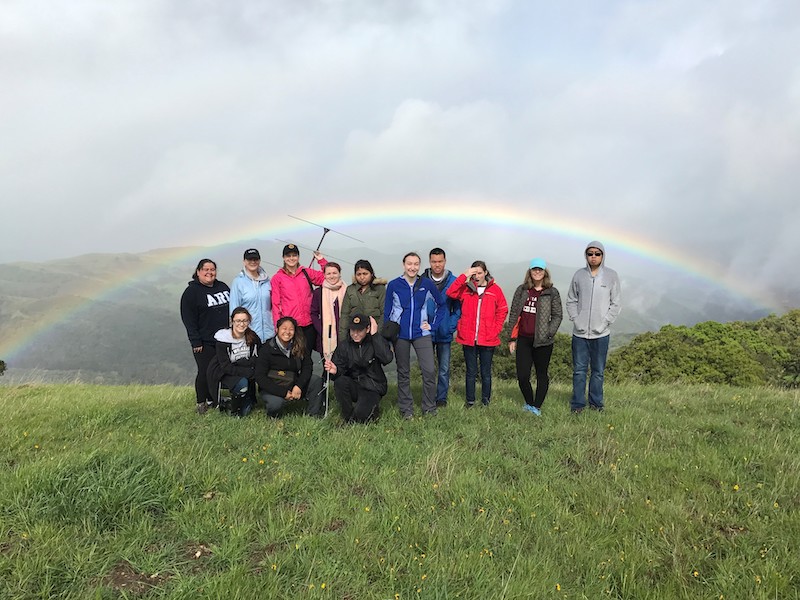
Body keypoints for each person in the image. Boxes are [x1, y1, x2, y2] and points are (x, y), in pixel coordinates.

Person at [384, 252, 447, 418]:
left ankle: (429, 408)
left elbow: (441, 305)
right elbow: (387, 311)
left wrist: (432, 325)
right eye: (409, 264)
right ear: (403, 265)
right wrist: (388, 337)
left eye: (416, 264)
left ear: (419, 266)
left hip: (422, 333)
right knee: (403, 372)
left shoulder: (426, 283)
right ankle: (406, 410)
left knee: (429, 370)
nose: (412, 267)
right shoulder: (393, 285)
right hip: (400, 334)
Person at [566, 241, 621, 413]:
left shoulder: (611, 276)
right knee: (579, 371)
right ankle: (578, 405)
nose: (594, 257)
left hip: (601, 334)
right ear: (586, 255)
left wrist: (604, 322)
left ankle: (596, 404)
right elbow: (571, 300)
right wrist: (576, 320)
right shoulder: (579, 275)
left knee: (598, 371)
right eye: (590, 253)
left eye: (597, 253)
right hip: (580, 334)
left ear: (603, 255)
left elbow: (616, 303)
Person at [446, 261, 508, 407]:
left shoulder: (495, 290)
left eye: (480, 273)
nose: (477, 276)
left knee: (486, 373)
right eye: (474, 273)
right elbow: (451, 292)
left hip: (488, 337)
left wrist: (496, 329)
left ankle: (486, 401)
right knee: (471, 372)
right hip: (468, 337)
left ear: (486, 273)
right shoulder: (466, 289)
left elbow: (502, 310)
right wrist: (465, 275)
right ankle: (470, 401)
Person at [507, 258, 563, 416]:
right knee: (522, 375)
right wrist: (512, 338)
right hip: (524, 338)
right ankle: (529, 403)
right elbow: (514, 314)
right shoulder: (522, 290)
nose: (537, 272)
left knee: (541, 374)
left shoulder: (551, 292)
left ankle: (536, 407)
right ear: (529, 272)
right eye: (534, 269)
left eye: (540, 269)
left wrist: (548, 332)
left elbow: (558, 315)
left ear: (545, 272)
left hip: (543, 341)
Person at [180, 258, 230, 414]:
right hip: (204, 341)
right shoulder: (191, 293)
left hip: (224, 340)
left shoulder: (222, 287)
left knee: (218, 371)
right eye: (206, 269)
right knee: (204, 371)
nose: (210, 272)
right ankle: (201, 402)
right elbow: (188, 319)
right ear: (198, 272)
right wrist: (195, 341)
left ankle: (213, 399)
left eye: (212, 269)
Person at [324, 314, 394, 423]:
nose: (355, 334)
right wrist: (336, 370)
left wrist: (375, 335)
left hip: (372, 386)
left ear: (367, 329)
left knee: (363, 416)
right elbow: (339, 369)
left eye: (359, 330)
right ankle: (347, 417)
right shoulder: (344, 345)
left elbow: (387, 358)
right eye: (353, 330)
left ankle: (367, 410)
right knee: (340, 382)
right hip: (354, 384)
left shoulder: (375, 342)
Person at [255, 316, 324, 418]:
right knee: (275, 405)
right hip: (273, 386)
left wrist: (299, 386)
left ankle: (314, 415)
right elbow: (260, 377)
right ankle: (273, 416)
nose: (287, 332)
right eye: (284, 328)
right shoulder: (266, 349)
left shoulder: (300, 345)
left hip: (293, 382)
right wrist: (283, 393)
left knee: (316, 380)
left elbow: (307, 367)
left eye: (291, 329)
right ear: (277, 330)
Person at [271, 244, 328, 357]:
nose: (291, 258)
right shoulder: (277, 278)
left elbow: (328, 277)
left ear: (298, 257)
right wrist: (278, 327)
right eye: (288, 256)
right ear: (283, 258)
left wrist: (321, 260)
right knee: (293, 357)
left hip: (309, 324)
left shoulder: (306, 272)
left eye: (294, 255)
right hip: (291, 326)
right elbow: (275, 304)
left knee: (307, 357)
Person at [422, 248, 461, 407]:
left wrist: (450, 326)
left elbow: (458, 308)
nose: (437, 265)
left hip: (444, 332)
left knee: (443, 368)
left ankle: (441, 398)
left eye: (440, 261)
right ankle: (428, 396)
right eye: (434, 261)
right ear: (430, 262)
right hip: (425, 332)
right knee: (427, 368)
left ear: (445, 261)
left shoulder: (454, 281)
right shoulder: (422, 281)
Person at [207, 307, 260, 417]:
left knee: (248, 409)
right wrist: (247, 370)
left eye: (245, 321)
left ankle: (233, 402)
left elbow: (258, 356)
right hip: (224, 372)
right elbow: (226, 366)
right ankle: (234, 412)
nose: (242, 324)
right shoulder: (223, 340)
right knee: (242, 383)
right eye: (238, 321)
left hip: (242, 370)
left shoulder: (253, 337)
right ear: (232, 321)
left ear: (249, 321)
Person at [228, 248, 273, 344]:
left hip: (269, 333)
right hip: (249, 334)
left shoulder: (267, 281)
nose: (253, 262)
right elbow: (234, 310)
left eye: (255, 259)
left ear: (259, 261)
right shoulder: (238, 282)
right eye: (249, 259)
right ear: (244, 261)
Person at [338, 259, 387, 342]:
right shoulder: (350, 289)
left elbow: (384, 312)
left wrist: (378, 335)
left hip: (373, 332)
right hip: (355, 334)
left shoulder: (379, 289)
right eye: (359, 274)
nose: (362, 277)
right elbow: (344, 315)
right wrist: (342, 339)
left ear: (371, 274)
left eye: (365, 274)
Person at [310, 262, 347, 360]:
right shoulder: (319, 292)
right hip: (326, 336)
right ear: (324, 275)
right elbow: (313, 313)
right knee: (328, 369)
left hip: (345, 334)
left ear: (339, 274)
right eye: (328, 273)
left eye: (334, 273)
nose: (332, 276)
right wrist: (322, 329)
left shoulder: (347, 291)